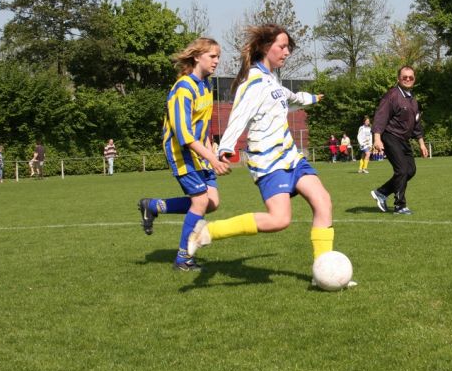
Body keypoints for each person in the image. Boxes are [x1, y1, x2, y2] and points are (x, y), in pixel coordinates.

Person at [187, 24, 344, 282]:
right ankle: (208, 231)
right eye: (282, 47)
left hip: (291, 156)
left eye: (288, 47)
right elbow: (239, 116)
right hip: (268, 160)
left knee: (323, 201)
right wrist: (225, 148)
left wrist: (314, 98)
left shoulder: (272, 80)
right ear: (265, 47)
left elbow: (291, 99)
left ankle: (322, 272)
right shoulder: (253, 82)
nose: (287, 52)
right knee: (279, 220)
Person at [136, 37, 230, 271]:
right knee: (200, 201)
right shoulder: (183, 88)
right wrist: (211, 159)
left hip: (199, 151)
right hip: (181, 151)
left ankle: (153, 206)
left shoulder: (207, 86)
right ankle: (183, 258)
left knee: (212, 202)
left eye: (218, 56)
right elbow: (184, 135)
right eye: (212, 56)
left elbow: (203, 125)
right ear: (197, 57)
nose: (217, 61)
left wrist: (212, 150)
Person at [370, 65, 429, 215]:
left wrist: (422, 144)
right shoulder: (391, 96)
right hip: (390, 136)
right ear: (398, 79)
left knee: (410, 171)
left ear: (414, 79)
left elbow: (416, 125)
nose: (408, 79)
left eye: (411, 77)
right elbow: (380, 117)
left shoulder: (413, 100)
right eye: (404, 77)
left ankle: (382, 192)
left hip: (404, 140)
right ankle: (400, 206)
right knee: (402, 170)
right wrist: (377, 138)